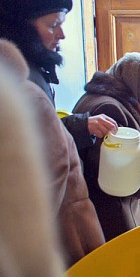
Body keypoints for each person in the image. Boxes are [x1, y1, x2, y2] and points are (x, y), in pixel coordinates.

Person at [0, 39, 105, 268]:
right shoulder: (27, 92)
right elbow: (56, 171)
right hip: (64, 234)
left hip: (61, 232)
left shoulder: (29, 86)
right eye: (52, 24)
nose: (61, 34)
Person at [0, 0, 117, 149]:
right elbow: (31, 145)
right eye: (53, 25)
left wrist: (84, 124)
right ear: (22, 28)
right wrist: (82, 125)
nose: (61, 34)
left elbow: (39, 124)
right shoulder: (15, 77)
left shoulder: (31, 67)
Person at [72, 52, 140, 241]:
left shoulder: (94, 96)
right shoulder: (111, 109)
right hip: (112, 211)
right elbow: (111, 172)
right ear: (136, 82)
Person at [0, 39, 65, 276]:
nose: (61, 34)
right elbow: (59, 166)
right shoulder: (20, 96)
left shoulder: (37, 77)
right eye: (52, 24)